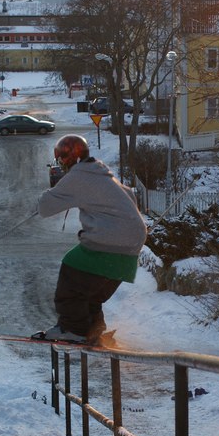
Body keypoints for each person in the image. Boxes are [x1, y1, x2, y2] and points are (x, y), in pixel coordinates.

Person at [33, 134, 148, 343]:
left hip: (110, 239)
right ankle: (93, 329)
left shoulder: (79, 176)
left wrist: (49, 195)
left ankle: (73, 329)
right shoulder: (104, 174)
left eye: (61, 159)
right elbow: (130, 196)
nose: (61, 165)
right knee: (90, 292)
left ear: (69, 158)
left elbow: (45, 206)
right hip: (132, 243)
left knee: (71, 274)